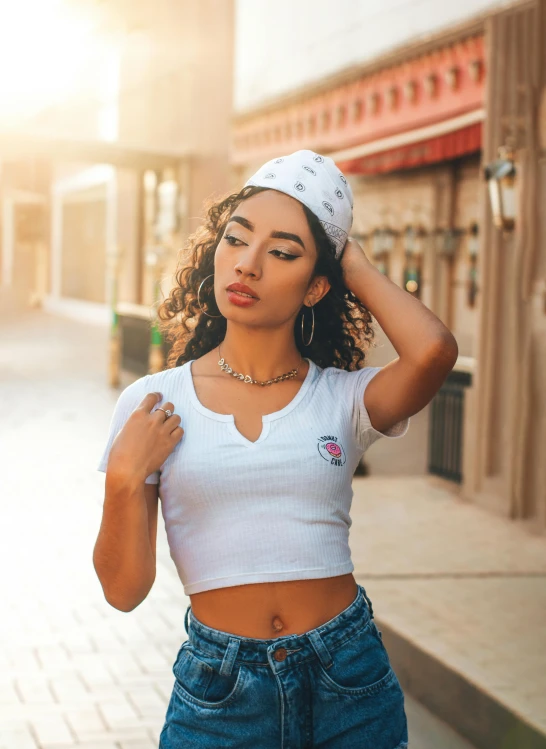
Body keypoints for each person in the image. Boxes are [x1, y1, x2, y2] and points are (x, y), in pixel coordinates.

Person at [93, 150, 458, 748]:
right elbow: (124, 591)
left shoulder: (342, 398)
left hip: (349, 680)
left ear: (317, 285)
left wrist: (352, 262)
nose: (249, 265)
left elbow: (432, 352)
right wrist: (123, 480)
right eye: (236, 240)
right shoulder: (154, 403)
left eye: (283, 252)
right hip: (220, 693)